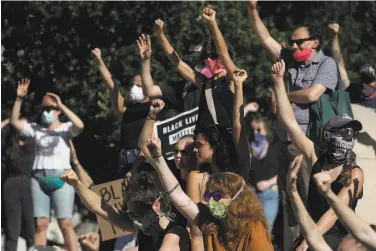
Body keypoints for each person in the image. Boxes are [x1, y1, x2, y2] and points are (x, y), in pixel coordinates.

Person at [249, 1, 339, 248]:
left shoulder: (326, 64)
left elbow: (312, 95)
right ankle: (292, 246)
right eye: (291, 42)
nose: (294, 46)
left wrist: (282, 95)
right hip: (283, 141)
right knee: (289, 201)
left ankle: (311, 244)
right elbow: (265, 38)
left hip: (307, 144)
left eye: (299, 41)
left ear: (314, 42)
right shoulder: (288, 58)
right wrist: (252, 10)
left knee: (311, 200)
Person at [271, 60, 364, 251]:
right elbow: (289, 122)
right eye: (342, 131)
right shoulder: (316, 157)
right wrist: (279, 82)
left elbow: (334, 213)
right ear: (328, 135)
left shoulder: (356, 174)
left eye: (351, 133)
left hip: (341, 243)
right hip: (313, 236)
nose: (348, 137)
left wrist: (307, 242)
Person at [142, 136, 273, 251]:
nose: (211, 202)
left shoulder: (254, 229)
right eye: (208, 196)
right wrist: (158, 159)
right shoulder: (210, 221)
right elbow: (177, 194)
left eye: (217, 196)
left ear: (236, 198)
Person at [10, 79, 84, 251]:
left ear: (58, 111)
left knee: (65, 223)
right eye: (43, 109)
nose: (45, 112)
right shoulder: (36, 129)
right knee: (40, 225)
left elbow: (80, 125)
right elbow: (14, 122)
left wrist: (62, 105)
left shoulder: (66, 128)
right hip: (39, 178)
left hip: (62, 178)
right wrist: (19, 99)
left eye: (49, 109)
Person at [61, 167, 190, 251]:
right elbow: (100, 207)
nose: (133, 220)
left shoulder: (174, 234)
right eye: (131, 214)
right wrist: (77, 184)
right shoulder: (143, 225)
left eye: (137, 214)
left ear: (156, 207)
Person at [287, 155, 376, 251]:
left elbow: (334, 213)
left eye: (352, 237)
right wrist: (293, 191)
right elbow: (316, 241)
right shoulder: (321, 161)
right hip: (316, 232)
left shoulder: (355, 173)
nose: (350, 236)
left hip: (333, 234)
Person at [92, 48, 150, 178]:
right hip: (124, 158)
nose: (134, 89)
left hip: (144, 157)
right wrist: (99, 60)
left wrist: (145, 59)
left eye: (139, 85)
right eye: (133, 85)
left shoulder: (153, 109)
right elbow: (111, 84)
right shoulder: (125, 109)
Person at [139, 20, 201, 113]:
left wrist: (160, 36)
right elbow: (149, 90)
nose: (201, 63)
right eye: (197, 59)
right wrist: (145, 60)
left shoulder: (218, 82)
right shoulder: (185, 87)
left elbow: (178, 63)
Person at [2, 115, 35, 251]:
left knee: (31, 230)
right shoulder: (8, 144)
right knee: (12, 230)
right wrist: (9, 121)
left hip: (30, 185)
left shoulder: (34, 144)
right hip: (11, 186)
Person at [328, 23, 376, 110]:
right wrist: (334, 36)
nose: (369, 87)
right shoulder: (353, 91)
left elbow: (339, 63)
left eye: (372, 83)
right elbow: (339, 63)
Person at [248, 114, 279, 233]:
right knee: (251, 231)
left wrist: (268, 183)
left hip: (270, 193)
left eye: (259, 129)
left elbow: (282, 172)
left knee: (265, 230)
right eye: (253, 130)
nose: (256, 133)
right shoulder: (249, 150)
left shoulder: (273, 149)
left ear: (266, 130)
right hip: (251, 195)